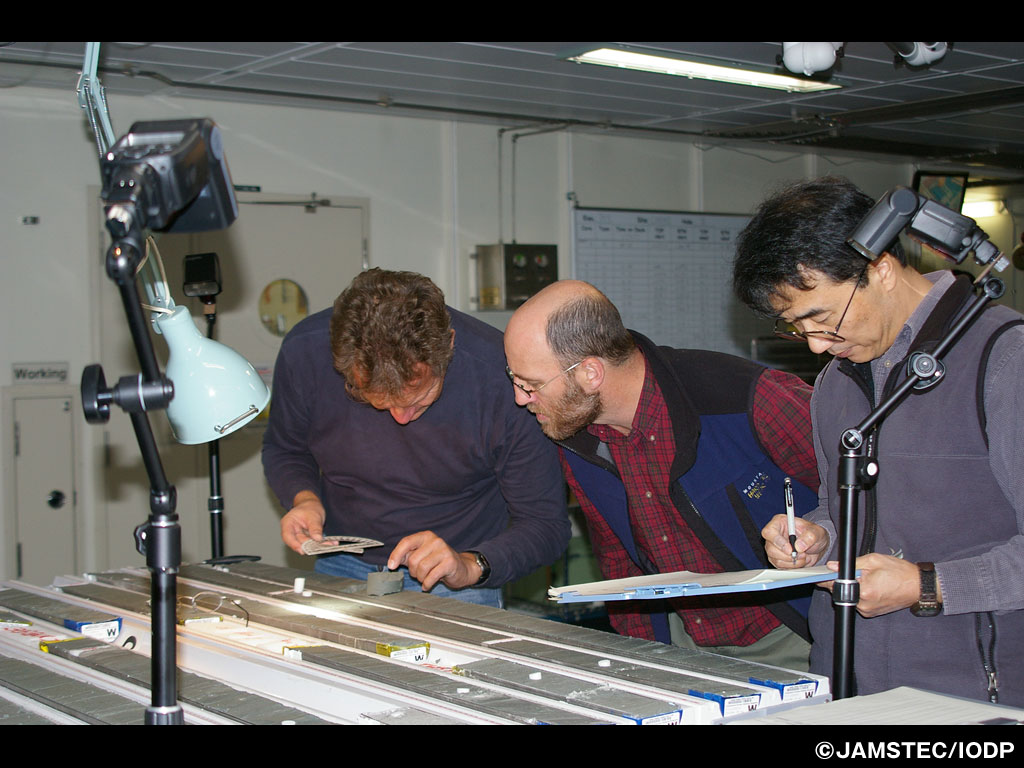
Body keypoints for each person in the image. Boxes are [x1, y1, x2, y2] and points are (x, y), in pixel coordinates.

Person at [733, 176, 1024, 705]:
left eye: (821, 318)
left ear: (881, 268)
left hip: (968, 694)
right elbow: (839, 510)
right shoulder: (836, 382)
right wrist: (817, 539)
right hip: (848, 681)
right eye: (795, 327)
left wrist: (927, 585)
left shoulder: (1005, 361)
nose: (816, 346)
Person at [503, 280, 819, 669]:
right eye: (514, 379)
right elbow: (619, 563)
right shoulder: (577, 440)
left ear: (590, 372)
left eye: (531, 385)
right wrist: (644, 659)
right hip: (683, 643)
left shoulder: (743, 398)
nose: (520, 398)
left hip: (796, 636)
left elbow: (867, 494)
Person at [263, 268, 570, 606]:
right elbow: (286, 449)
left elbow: (545, 525)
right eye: (378, 403)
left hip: (455, 580)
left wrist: (470, 565)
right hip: (340, 560)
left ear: (449, 345)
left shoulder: (503, 380)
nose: (401, 418)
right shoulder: (306, 353)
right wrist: (304, 499)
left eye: (419, 400)